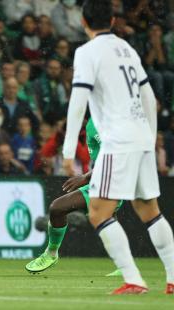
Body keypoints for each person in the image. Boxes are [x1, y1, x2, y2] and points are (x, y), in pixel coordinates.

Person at [62, 0, 174, 295]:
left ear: (83, 22)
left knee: (98, 212)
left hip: (118, 139)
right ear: (112, 20)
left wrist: (67, 149)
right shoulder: (127, 49)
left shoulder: (87, 52)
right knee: (149, 209)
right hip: (141, 135)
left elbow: (79, 99)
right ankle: (173, 278)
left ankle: (134, 279)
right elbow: (150, 98)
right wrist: (149, 138)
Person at [26, 118, 122, 276]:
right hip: (101, 179)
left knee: (58, 208)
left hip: (113, 181)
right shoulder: (92, 124)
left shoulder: (111, 121)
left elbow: (114, 159)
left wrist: (85, 177)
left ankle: (51, 254)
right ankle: (124, 265)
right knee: (108, 220)